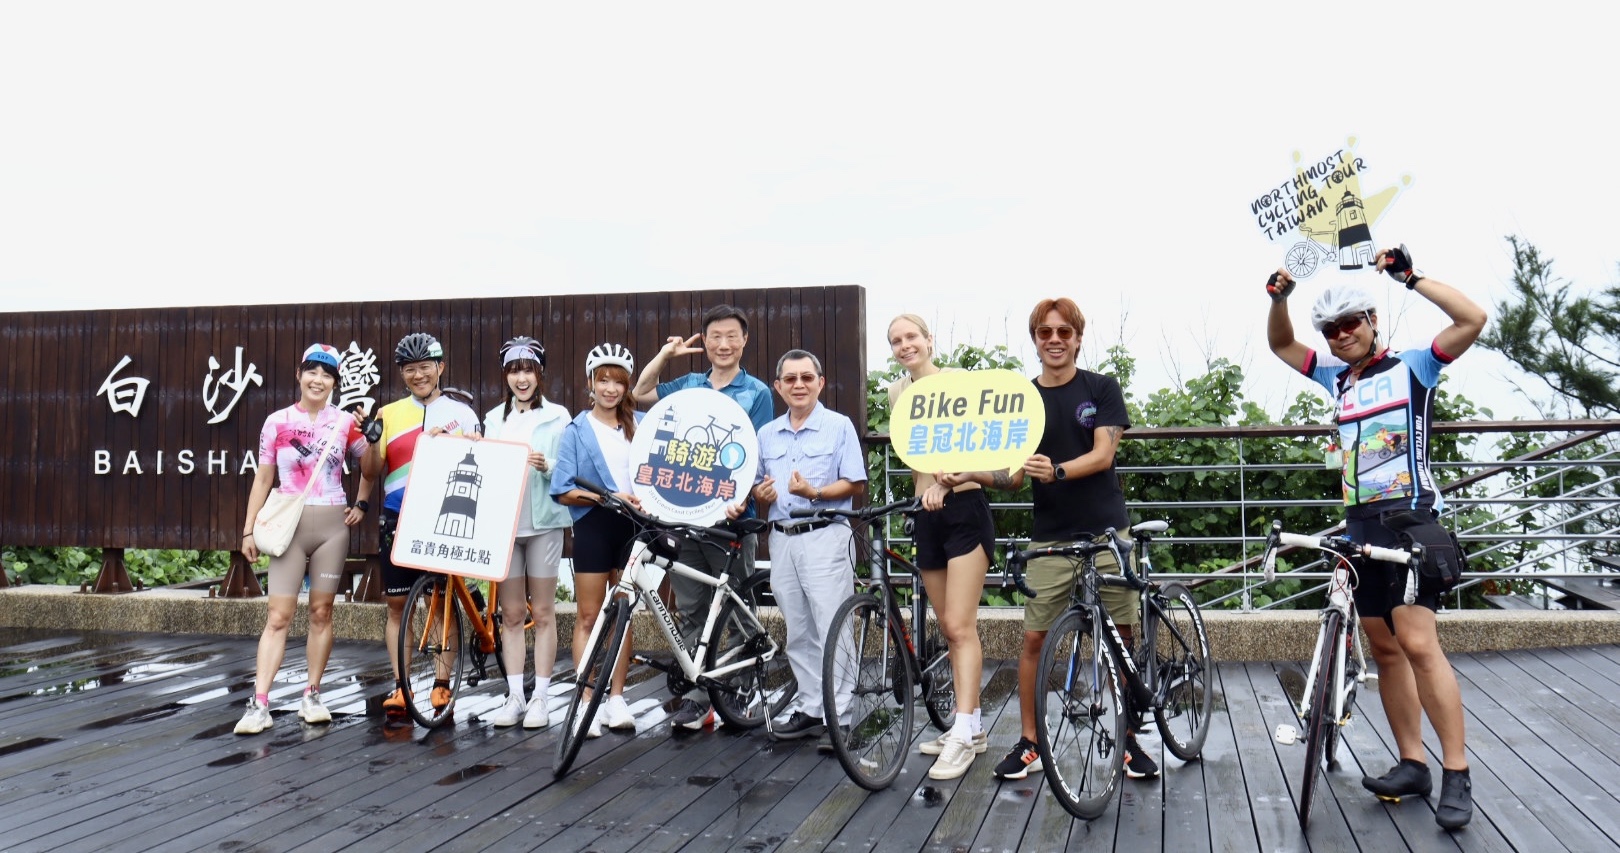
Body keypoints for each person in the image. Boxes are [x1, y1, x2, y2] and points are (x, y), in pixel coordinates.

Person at [1264, 245, 1485, 829]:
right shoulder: (1337, 378)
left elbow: (1472, 320)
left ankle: (1456, 771)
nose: (1339, 336)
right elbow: (1282, 345)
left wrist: (1409, 277)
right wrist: (1279, 299)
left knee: (1416, 643)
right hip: (1358, 524)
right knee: (1384, 649)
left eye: (1349, 324)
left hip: (1410, 518)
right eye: (1331, 329)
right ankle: (1413, 763)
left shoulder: (1415, 366)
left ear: (1372, 322)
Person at [994, 298, 1159, 782]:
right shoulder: (1021, 400)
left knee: (1121, 637)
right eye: (1045, 332)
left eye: (1064, 332)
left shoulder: (1101, 388)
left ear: (1078, 338)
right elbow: (1012, 478)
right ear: (1035, 340)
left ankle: (1128, 741)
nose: (1055, 340)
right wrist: (967, 476)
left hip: (1107, 530)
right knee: (1033, 639)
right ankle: (1030, 742)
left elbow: (1104, 453)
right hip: (1050, 536)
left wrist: (1059, 470)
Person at [632, 304, 775, 729]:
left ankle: (741, 689)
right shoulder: (690, 382)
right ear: (706, 341)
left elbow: (757, 454)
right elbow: (640, 394)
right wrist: (665, 356)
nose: (724, 344)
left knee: (735, 605)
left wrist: (743, 497)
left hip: (731, 519)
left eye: (732, 336)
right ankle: (698, 698)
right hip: (686, 516)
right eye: (715, 336)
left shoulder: (757, 392)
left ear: (744, 340)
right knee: (692, 608)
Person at [727, 349, 866, 743]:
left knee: (833, 626)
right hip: (782, 539)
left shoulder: (839, 426)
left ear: (820, 383)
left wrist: (815, 492)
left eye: (807, 378)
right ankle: (810, 707)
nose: (799, 385)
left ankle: (839, 716)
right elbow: (754, 484)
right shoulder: (766, 433)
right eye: (790, 379)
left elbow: (854, 483)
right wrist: (762, 492)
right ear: (778, 387)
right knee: (798, 630)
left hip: (825, 535)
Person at [235, 344, 371, 735]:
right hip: (289, 524)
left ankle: (312, 694)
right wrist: (248, 529)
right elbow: (263, 479)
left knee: (321, 612)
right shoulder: (276, 422)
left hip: (332, 525)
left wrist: (361, 501)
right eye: (312, 371)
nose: (319, 379)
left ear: (335, 383)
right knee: (278, 616)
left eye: (327, 374)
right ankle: (260, 703)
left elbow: (370, 466)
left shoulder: (346, 422)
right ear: (299, 374)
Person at [884, 315, 996, 780]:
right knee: (947, 631)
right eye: (896, 340)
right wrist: (929, 487)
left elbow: (982, 443)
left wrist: (950, 484)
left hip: (966, 509)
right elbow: (917, 454)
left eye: (912, 337)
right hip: (926, 515)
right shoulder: (895, 392)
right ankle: (970, 727)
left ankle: (964, 734)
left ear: (930, 341)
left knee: (958, 623)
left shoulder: (957, 382)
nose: (905, 345)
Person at [360, 332, 482, 721]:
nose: (418, 375)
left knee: (441, 602)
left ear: (440, 367)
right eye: (410, 369)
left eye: (425, 367)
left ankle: (442, 684)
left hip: (440, 513)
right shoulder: (389, 413)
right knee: (397, 605)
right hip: (398, 512)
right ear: (402, 374)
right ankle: (401, 685)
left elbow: (481, 455)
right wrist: (369, 443)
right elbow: (371, 471)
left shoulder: (461, 411)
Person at [551, 343, 643, 738]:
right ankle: (586, 700)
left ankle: (617, 699)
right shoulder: (575, 429)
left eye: (617, 381)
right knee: (589, 615)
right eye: (602, 379)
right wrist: (607, 498)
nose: (609, 388)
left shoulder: (642, 425)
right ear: (590, 382)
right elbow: (562, 489)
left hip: (633, 527)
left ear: (627, 386)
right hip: (593, 525)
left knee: (623, 613)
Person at [483, 336, 571, 730]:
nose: (522, 378)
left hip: (544, 523)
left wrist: (547, 464)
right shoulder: (492, 419)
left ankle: (542, 697)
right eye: (514, 370)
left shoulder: (558, 416)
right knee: (512, 613)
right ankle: (515, 695)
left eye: (528, 370)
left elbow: (568, 465)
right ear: (506, 375)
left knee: (544, 611)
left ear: (540, 374)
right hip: (504, 525)